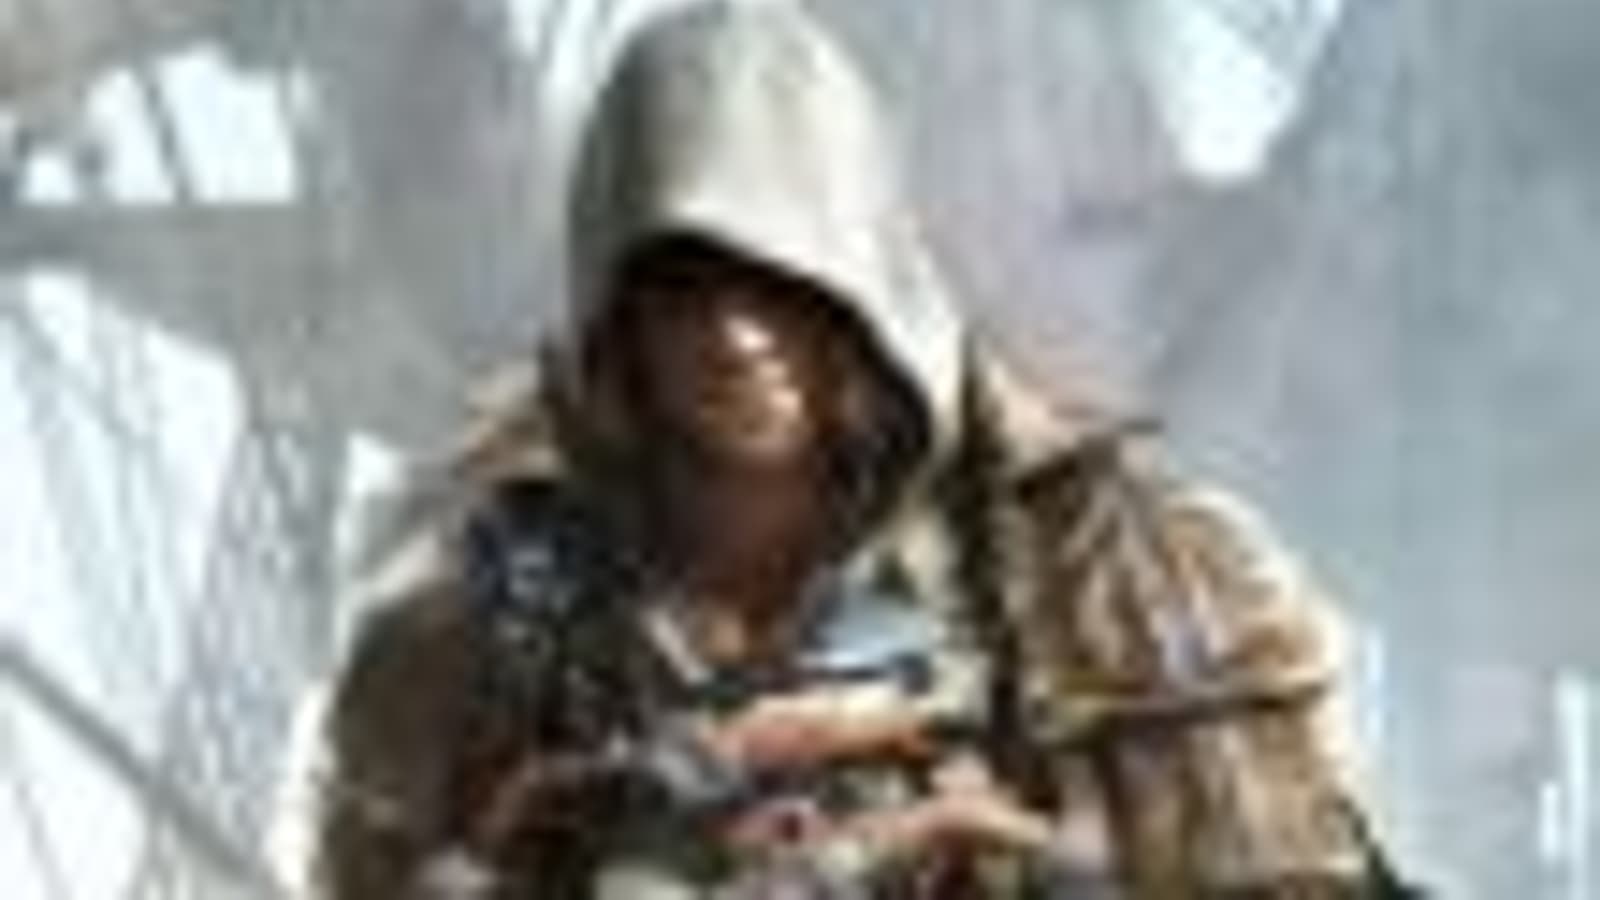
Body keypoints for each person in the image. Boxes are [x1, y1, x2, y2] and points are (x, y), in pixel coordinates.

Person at [314, 3, 1397, 897]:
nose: (736, 338)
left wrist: (1002, 846)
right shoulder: (487, 626)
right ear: (620, 326)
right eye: (686, 289)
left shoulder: (1113, 578)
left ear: (855, 289)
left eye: (778, 284)